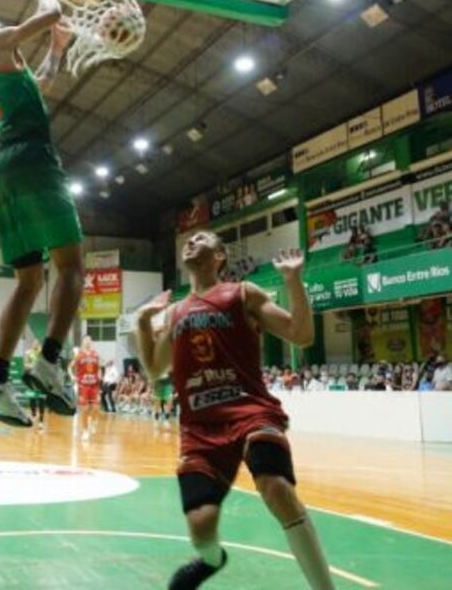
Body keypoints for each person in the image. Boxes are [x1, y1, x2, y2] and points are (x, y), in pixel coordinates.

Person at [135, 233, 334, 589]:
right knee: (201, 524)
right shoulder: (176, 311)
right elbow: (153, 368)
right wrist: (141, 323)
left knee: (276, 488)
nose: (191, 241)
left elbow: (301, 334)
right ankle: (212, 559)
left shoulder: (243, 293)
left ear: (220, 255)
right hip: (199, 428)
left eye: (201, 238)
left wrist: (293, 280)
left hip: (251, 412)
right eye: (188, 239)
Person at [0, 0, 80, 427]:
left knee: (29, 281)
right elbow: (52, 12)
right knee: (70, 266)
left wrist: (56, 47)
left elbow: (41, 82)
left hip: (4, 171)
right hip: (32, 160)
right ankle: (49, 359)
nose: (2, 26)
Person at [70, 336, 102, 443]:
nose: (87, 342)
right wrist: (72, 376)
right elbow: (69, 367)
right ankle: (85, 431)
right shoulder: (79, 355)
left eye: (89, 340)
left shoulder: (96, 354)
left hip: (94, 385)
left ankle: (93, 421)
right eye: (85, 340)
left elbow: (100, 368)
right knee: (84, 409)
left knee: (96, 408)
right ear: (83, 342)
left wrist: (100, 375)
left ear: (91, 342)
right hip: (83, 385)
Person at [25, 341, 47, 431]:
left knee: (42, 400)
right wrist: (33, 366)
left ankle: (41, 422)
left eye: (38, 343)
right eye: (34, 343)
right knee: (32, 399)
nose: (36, 344)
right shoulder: (28, 353)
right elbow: (25, 365)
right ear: (32, 344)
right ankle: (33, 414)